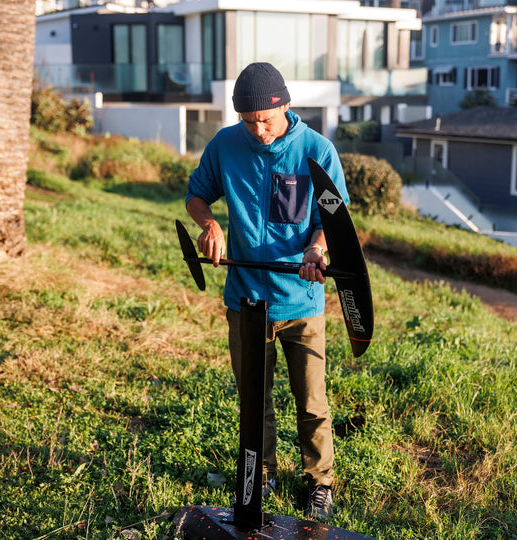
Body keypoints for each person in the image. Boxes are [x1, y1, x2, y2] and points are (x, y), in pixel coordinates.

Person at [185, 62, 349, 521]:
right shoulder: (225, 145)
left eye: (267, 120)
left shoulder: (317, 152)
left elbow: (332, 222)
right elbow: (196, 195)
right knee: (254, 400)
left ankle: (320, 482)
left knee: (311, 400)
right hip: (245, 298)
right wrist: (210, 224)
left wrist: (318, 247)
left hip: (301, 301)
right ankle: (263, 473)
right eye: (249, 121)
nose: (259, 131)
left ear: (286, 106)